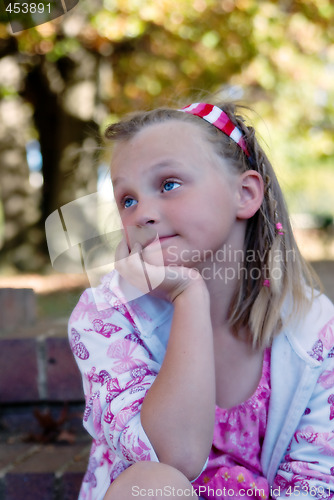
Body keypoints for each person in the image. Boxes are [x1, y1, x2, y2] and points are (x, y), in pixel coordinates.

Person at [68, 101, 334, 500]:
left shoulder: (312, 327)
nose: (141, 213)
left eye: (169, 184)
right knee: (152, 484)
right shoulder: (105, 315)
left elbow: (315, 479)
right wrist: (187, 294)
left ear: (244, 194)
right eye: (127, 199)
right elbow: (172, 459)